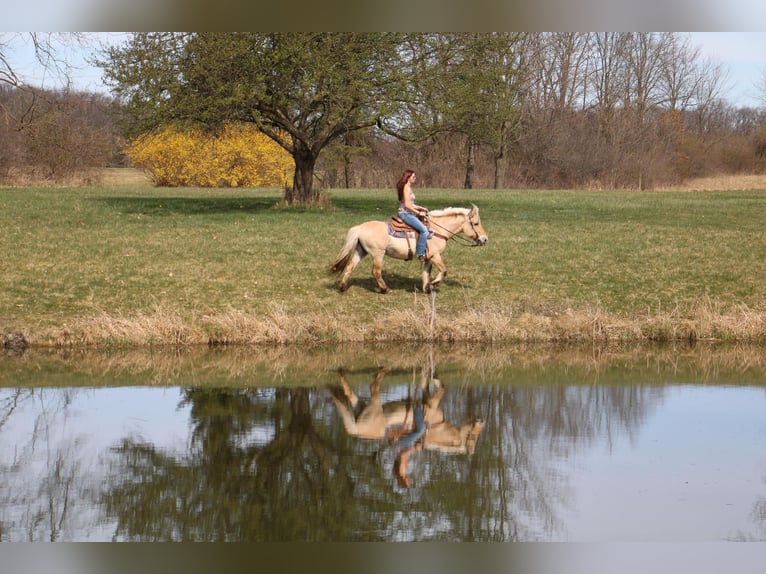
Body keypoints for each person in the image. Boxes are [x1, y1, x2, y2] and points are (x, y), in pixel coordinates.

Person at [396, 169, 431, 261]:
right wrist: (418, 213)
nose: (415, 178)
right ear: (408, 178)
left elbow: (410, 204)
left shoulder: (407, 187)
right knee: (424, 230)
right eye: (413, 177)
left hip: (407, 212)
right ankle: (420, 253)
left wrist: (421, 208)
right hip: (405, 214)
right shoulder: (406, 188)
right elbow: (407, 206)